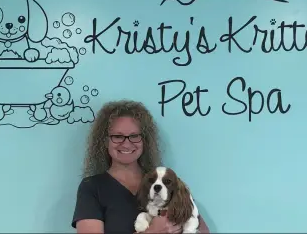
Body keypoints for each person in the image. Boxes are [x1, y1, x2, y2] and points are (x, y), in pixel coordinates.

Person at [71, 100, 210, 233]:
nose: (126, 144)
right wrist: (152, 232)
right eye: (118, 136)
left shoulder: (166, 181)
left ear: (145, 140)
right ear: (105, 141)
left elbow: (202, 229)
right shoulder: (92, 187)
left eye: (134, 136)